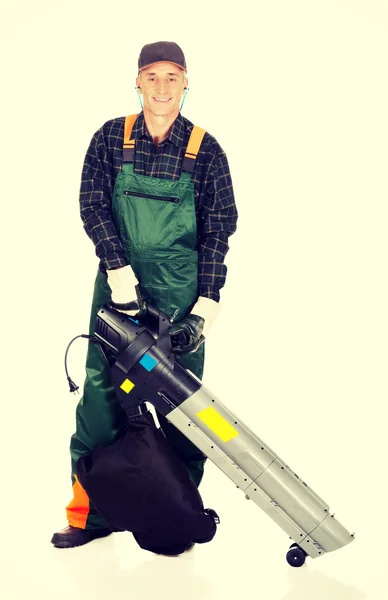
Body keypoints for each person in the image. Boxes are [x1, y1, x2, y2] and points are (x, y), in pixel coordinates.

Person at [51, 41, 238, 549]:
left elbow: (219, 231)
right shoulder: (112, 138)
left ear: (185, 82)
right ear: (137, 81)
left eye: (171, 77)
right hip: (116, 289)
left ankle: (176, 514)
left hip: (182, 296)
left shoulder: (207, 150)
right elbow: (93, 204)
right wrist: (117, 267)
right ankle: (90, 518)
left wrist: (206, 307)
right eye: (151, 76)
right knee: (100, 399)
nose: (161, 87)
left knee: (185, 410)